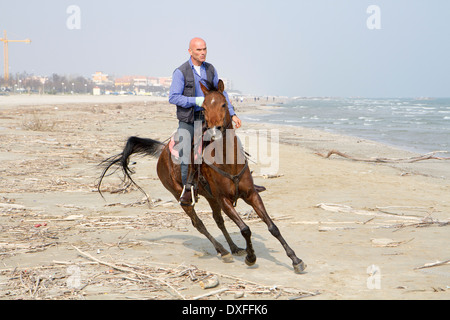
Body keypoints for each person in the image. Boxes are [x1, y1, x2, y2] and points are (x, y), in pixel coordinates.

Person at [169, 37, 241, 206]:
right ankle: (188, 190)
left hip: (210, 117)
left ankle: (243, 180)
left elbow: (222, 94)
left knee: (231, 141)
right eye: (198, 50)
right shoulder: (181, 72)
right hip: (189, 118)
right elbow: (173, 97)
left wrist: (233, 113)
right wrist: (196, 101)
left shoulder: (210, 69)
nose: (202, 53)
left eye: (204, 49)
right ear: (190, 51)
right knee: (186, 151)